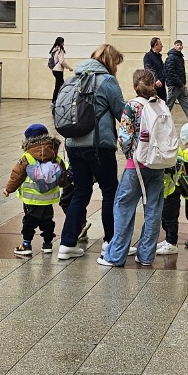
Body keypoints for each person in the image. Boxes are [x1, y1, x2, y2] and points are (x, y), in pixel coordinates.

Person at [57, 44, 128, 261]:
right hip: (98, 146)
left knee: (80, 192)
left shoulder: (73, 79)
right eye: (116, 63)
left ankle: (66, 244)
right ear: (110, 61)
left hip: (72, 144)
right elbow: (122, 113)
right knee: (109, 191)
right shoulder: (107, 81)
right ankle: (111, 243)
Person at [101, 70, 176, 268]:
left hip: (136, 165)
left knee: (124, 206)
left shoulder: (132, 106)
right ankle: (146, 255)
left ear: (135, 86)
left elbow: (125, 138)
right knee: (153, 209)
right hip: (158, 163)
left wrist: (129, 154)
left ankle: (115, 256)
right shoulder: (161, 104)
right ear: (154, 84)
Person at [5, 124, 68, 258]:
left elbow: (17, 175)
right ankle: (47, 244)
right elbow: (63, 174)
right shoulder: (54, 155)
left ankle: (26, 245)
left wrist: (8, 189)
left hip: (31, 198)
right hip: (49, 199)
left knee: (29, 221)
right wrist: (65, 184)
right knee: (48, 221)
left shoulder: (27, 156)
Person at [48, 37, 73, 103]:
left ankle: (56, 100)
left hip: (54, 70)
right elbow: (61, 61)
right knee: (62, 86)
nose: (63, 43)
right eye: (63, 42)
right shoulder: (60, 50)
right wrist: (69, 67)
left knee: (59, 85)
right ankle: (58, 100)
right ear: (61, 42)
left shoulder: (54, 49)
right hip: (58, 70)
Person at [143, 37, 168, 101]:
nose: (162, 46)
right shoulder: (148, 56)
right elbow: (148, 69)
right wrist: (155, 80)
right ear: (155, 45)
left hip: (162, 86)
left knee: (163, 103)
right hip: (154, 86)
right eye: (160, 44)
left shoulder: (159, 56)